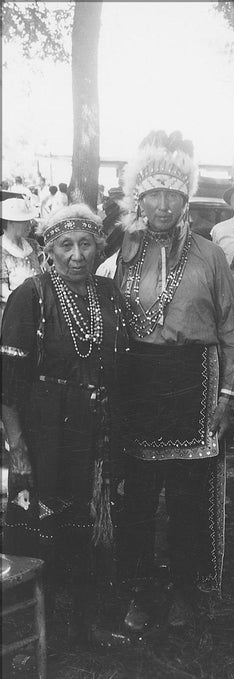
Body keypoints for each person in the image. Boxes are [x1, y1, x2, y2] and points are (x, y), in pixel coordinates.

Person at [114, 130, 234, 631]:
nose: (163, 205)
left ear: (185, 198)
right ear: (139, 199)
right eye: (153, 194)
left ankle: (187, 589)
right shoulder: (123, 252)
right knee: (139, 496)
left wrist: (228, 395)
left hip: (196, 380)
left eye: (172, 194)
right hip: (140, 384)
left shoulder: (210, 254)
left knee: (189, 494)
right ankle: (141, 591)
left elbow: (233, 327)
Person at [1, 203, 128, 642]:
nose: (77, 254)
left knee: (90, 525)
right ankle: (40, 625)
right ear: (49, 249)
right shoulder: (30, 295)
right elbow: (8, 386)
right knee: (46, 526)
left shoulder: (109, 295)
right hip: (45, 434)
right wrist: (18, 451)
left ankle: (85, 620)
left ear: (98, 248)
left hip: (95, 432)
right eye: (66, 245)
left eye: (86, 244)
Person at [1, 196, 43, 324]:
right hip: (14, 316)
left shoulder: (33, 245)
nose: (29, 225)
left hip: (40, 312)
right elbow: (3, 292)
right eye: (24, 221)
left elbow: (43, 271)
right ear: (10, 223)